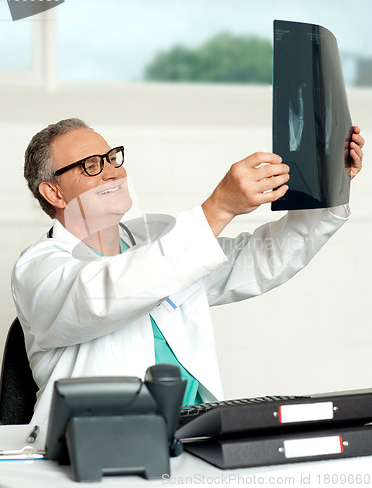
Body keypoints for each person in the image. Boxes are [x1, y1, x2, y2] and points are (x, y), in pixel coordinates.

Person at [12, 118, 364, 425]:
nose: (112, 170)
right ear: (54, 192)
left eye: (112, 157)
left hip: (190, 442)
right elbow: (103, 295)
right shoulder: (38, 268)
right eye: (91, 164)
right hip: (90, 454)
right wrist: (218, 208)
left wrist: (330, 186)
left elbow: (261, 258)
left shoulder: (157, 243)